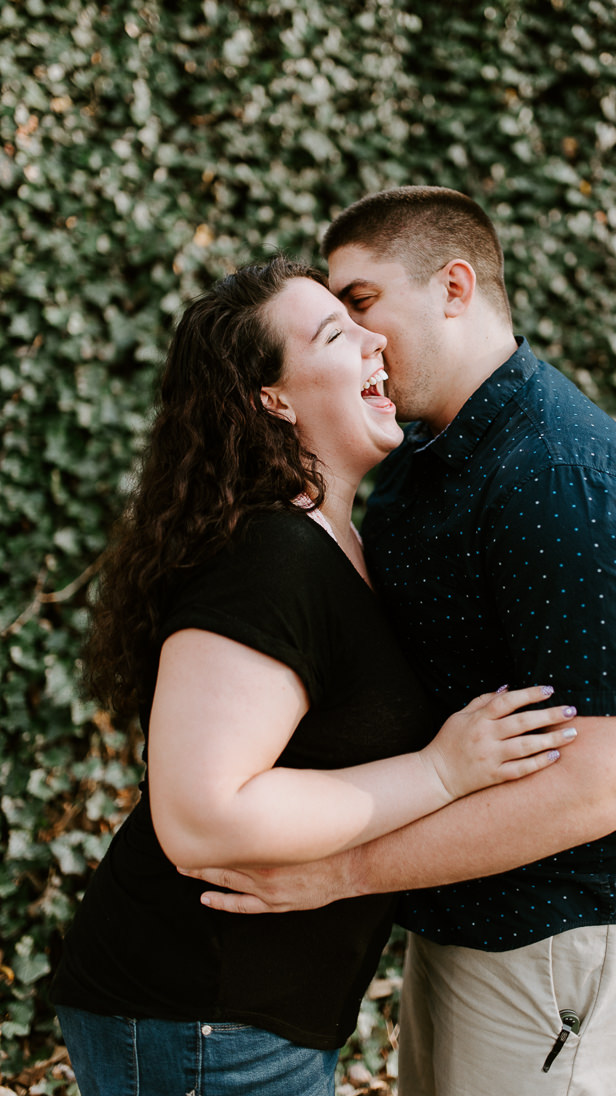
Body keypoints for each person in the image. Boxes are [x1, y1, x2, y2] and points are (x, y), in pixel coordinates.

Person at [187, 189, 616, 1096]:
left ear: (454, 286)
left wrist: (336, 874)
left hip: (561, 926)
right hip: (466, 907)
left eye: (361, 302)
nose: (361, 340)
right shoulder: (427, 452)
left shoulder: (561, 475)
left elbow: (606, 782)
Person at [49, 255, 581, 1096]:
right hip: (199, 1022)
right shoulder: (268, 555)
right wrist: (440, 771)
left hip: (241, 1020)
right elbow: (201, 815)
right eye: (336, 331)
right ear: (274, 399)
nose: (375, 338)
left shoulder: (340, 542)